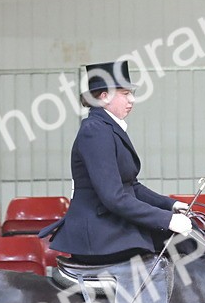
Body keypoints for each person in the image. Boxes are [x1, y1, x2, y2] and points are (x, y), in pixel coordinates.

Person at [41, 60, 193, 266]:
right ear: (104, 97)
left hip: (111, 224)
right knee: (183, 243)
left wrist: (171, 205)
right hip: (99, 233)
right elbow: (113, 197)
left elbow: (132, 186)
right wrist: (167, 220)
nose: (132, 100)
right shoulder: (95, 131)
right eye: (125, 93)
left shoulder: (109, 128)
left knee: (190, 239)